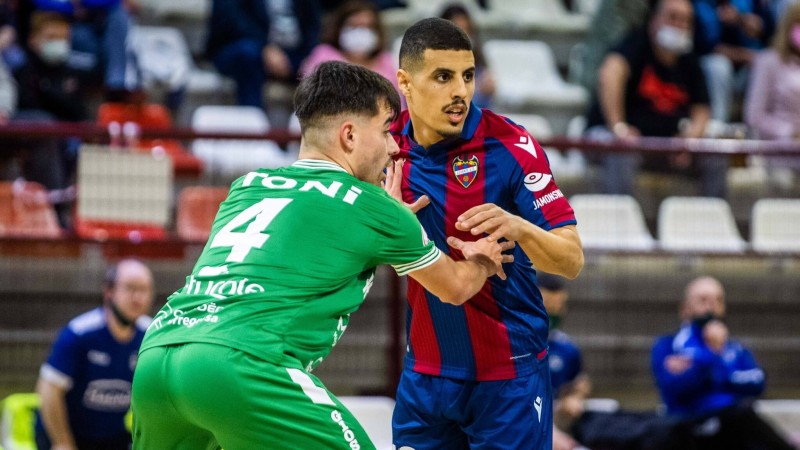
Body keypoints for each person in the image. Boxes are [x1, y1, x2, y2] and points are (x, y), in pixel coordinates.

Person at [131, 60, 513, 450]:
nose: (395, 146)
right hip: (242, 362)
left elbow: (309, 235)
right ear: (349, 135)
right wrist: (482, 258)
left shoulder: (247, 187)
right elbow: (453, 287)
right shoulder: (373, 208)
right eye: (386, 131)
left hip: (157, 358)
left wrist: (388, 221)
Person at [390, 17, 584, 450]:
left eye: (468, 75)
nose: (460, 91)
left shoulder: (511, 145)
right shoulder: (384, 146)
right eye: (443, 77)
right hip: (425, 374)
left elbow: (571, 260)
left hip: (509, 376)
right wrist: (382, 221)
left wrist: (517, 226)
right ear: (405, 82)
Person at [584, 0, 728, 198]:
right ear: (653, 20)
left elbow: (702, 109)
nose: (680, 25)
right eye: (672, 17)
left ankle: (711, 222)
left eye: (686, 21)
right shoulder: (636, 43)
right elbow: (610, 73)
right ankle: (620, 223)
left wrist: (689, 139)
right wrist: (619, 127)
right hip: (611, 135)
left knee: (715, 157)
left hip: (662, 146)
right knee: (622, 151)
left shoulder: (689, 60)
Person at [651, 276, 795, 450]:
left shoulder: (736, 349)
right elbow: (676, 388)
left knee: (742, 415)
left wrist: (708, 374)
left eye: (717, 300)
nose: (711, 306)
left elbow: (757, 382)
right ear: (685, 309)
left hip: (731, 426)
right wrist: (713, 354)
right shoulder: (668, 346)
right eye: (703, 300)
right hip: (689, 429)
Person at [35, 259, 154, 450]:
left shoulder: (152, 334)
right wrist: (62, 442)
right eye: (131, 288)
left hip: (110, 436)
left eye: (145, 290)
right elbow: (49, 390)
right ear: (109, 291)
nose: (138, 297)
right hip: (65, 434)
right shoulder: (79, 333)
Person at [204, 0, 321, 110]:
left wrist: (308, 55)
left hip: (293, 53)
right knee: (248, 55)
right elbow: (229, 18)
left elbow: (313, 23)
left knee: (325, 63)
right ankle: (252, 124)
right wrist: (265, 47)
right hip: (241, 47)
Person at [692, 0, 774, 122]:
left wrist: (750, 24)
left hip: (748, 68)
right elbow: (703, 46)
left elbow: (773, 35)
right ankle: (719, 125)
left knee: (764, 65)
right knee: (719, 66)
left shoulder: (753, 4)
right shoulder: (701, 6)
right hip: (712, 67)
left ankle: (757, 127)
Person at [300, 0, 398, 93]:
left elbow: (399, 102)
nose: (361, 32)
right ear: (339, 28)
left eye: (368, 26)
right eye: (354, 25)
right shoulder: (323, 55)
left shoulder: (386, 60)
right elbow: (310, 96)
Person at [540, 273, 590, 450]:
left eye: (558, 307)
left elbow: (581, 382)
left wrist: (574, 397)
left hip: (556, 421)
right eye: (548, 307)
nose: (553, 314)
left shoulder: (567, 347)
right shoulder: (515, 345)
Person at [439, 3, 496, 108]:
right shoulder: (431, 65)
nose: (463, 37)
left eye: (466, 30)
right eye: (458, 31)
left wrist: (487, 91)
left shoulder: (477, 62)